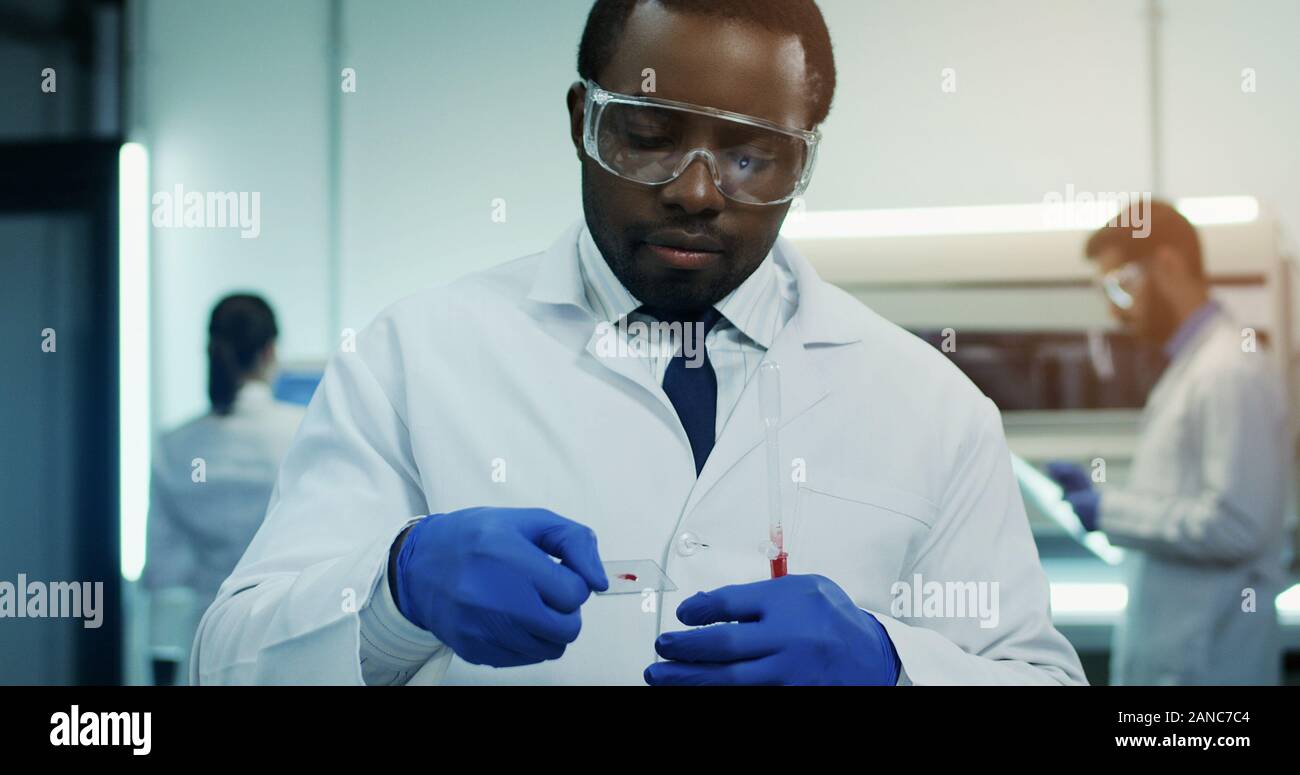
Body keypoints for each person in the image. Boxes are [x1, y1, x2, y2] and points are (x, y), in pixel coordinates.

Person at [194, 0, 1085, 686]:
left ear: (804, 161)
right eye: (651, 139)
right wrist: (398, 587)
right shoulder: (414, 358)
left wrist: (894, 667)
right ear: (583, 118)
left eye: (751, 156)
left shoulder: (931, 407)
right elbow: (226, 659)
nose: (697, 190)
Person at [1048, 200, 1290, 685]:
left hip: (1209, 666)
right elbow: (1184, 497)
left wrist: (1111, 510)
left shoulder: (1229, 371)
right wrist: (1108, 501)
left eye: (1120, 284)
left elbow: (1237, 527)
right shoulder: (1195, 366)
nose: (1114, 307)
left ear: (1169, 264)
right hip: (1183, 658)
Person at [143, 293, 305, 684]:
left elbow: (162, 574)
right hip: (289, 644)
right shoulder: (305, 432)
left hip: (207, 650)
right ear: (269, 351)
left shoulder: (174, 446)